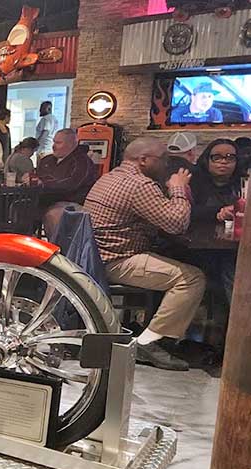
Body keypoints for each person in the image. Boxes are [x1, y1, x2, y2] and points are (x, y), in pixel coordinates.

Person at [84, 137, 202, 371]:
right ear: (144, 160)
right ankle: (150, 342)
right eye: (164, 159)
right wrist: (178, 187)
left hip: (96, 255)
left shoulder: (111, 176)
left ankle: (153, 330)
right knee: (191, 278)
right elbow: (176, 223)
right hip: (117, 260)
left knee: (177, 263)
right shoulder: (139, 185)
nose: (168, 165)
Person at [186, 139, 242, 305]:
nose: (223, 161)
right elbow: (188, 211)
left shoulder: (242, 182)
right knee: (227, 266)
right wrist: (218, 212)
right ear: (207, 160)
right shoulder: (193, 180)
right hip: (194, 246)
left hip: (233, 245)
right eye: (217, 157)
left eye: (230, 157)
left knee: (234, 265)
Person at [36, 128, 99, 239]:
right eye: (54, 142)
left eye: (58, 143)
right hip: (44, 200)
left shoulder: (82, 161)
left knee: (54, 214)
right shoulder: (47, 160)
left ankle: (59, 252)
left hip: (71, 201)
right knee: (21, 210)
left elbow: (70, 185)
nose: (53, 146)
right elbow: (38, 177)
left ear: (71, 144)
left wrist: (44, 183)